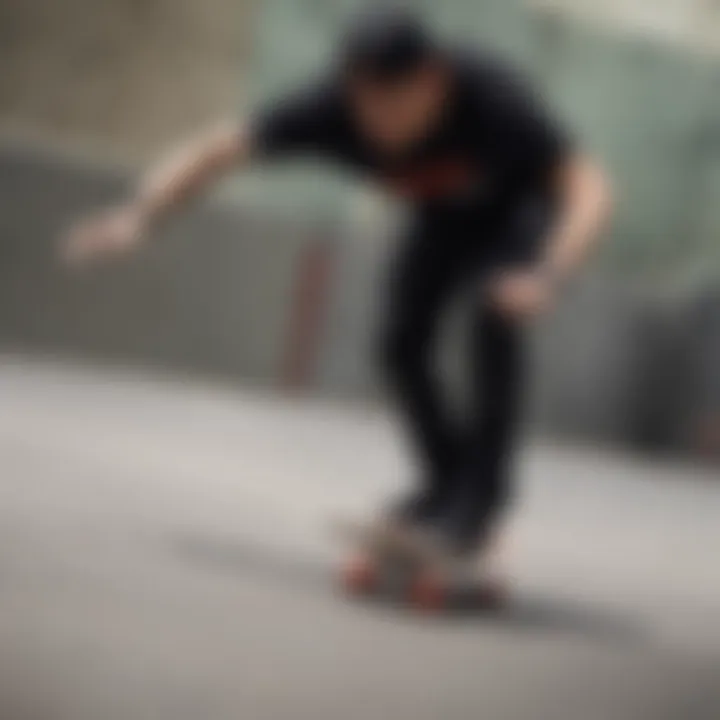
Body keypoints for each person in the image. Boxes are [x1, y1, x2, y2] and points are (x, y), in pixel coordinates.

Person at [64, 7, 612, 581]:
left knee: (493, 315)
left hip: (522, 214)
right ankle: (443, 486)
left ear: (435, 79)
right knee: (399, 343)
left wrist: (551, 274)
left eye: (396, 103)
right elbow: (219, 149)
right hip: (441, 217)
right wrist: (141, 216)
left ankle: (478, 506)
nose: (380, 124)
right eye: (365, 103)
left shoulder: (490, 96)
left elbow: (590, 185)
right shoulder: (331, 110)